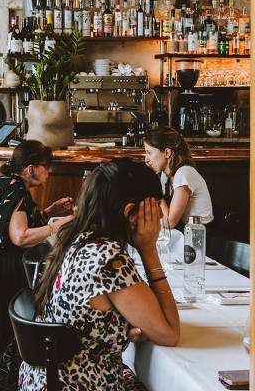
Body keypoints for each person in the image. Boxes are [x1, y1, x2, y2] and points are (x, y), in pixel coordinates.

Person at [19, 159, 180, 390]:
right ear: (130, 213)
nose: (159, 213)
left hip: (46, 380)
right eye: (155, 205)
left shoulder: (73, 238)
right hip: (81, 383)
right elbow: (170, 333)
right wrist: (149, 250)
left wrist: (120, 329)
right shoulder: (109, 258)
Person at [0, 140, 73, 374]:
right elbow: (20, 237)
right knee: (50, 274)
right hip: (2, 266)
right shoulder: (18, 191)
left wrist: (51, 212)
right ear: (31, 168)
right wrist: (59, 226)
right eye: (47, 166)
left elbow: (14, 224)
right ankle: (27, 344)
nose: (50, 171)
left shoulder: (4, 181)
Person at [144, 126, 212, 229]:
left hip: (200, 236)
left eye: (149, 153)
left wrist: (154, 189)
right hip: (184, 231)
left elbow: (169, 223)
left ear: (167, 153)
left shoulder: (183, 173)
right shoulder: (165, 175)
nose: (146, 160)